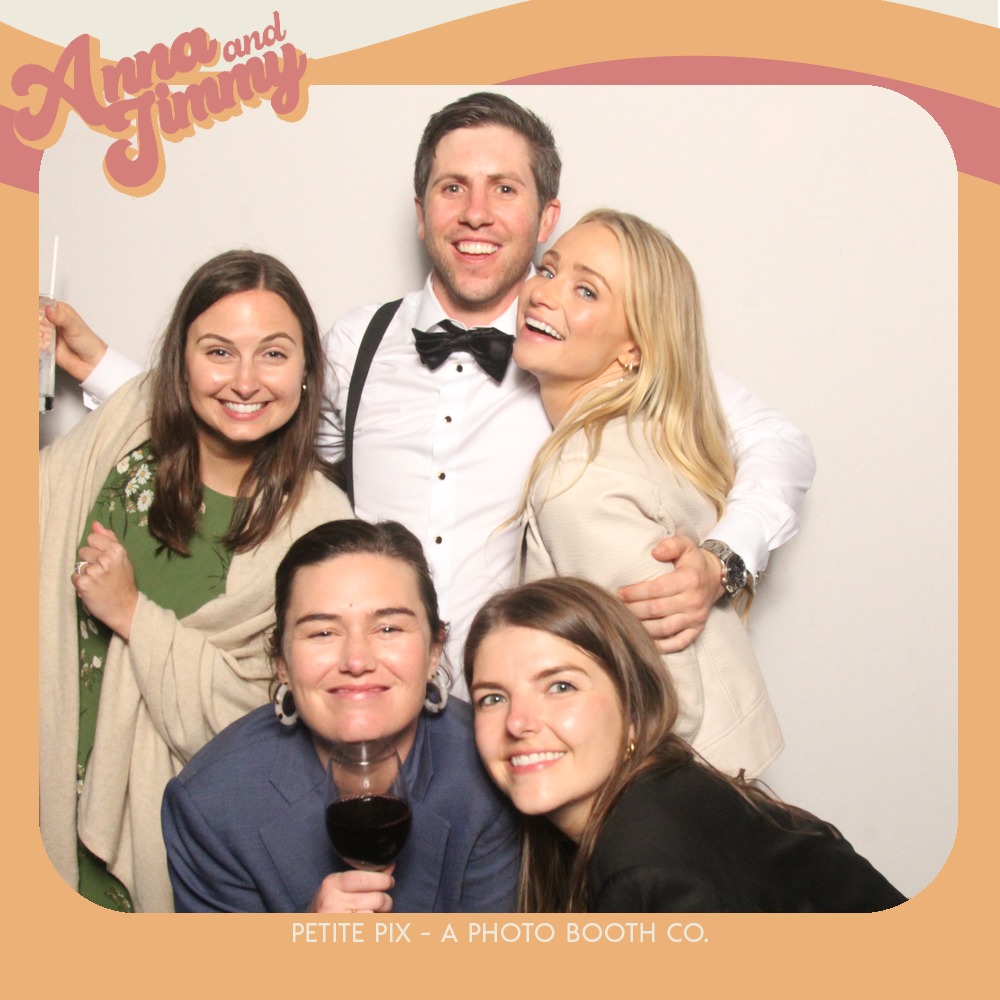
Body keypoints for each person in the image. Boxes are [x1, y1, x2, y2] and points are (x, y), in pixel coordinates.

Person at [49, 92, 816, 692]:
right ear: (422, 214)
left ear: (546, 216)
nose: (476, 213)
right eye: (454, 188)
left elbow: (777, 442)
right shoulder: (358, 341)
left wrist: (722, 559)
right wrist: (101, 369)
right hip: (374, 708)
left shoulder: (590, 350)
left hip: (529, 718)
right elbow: (251, 416)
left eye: (504, 188)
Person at [39, 250, 352, 912]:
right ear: (181, 363)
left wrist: (132, 614)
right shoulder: (122, 437)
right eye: (218, 352)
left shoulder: (322, 522)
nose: (245, 380)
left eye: (273, 354)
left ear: (306, 371)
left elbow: (272, 722)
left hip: (181, 829)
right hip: (44, 777)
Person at [511, 208, 781, 777]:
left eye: (586, 290)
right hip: (733, 777)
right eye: (549, 270)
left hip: (674, 795)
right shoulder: (650, 432)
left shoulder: (580, 479)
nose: (544, 293)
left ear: (633, 347)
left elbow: (668, 701)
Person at [465, 577, 907, 913]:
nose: (518, 723)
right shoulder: (669, 790)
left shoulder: (644, 869)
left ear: (634, 709)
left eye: (560, 687)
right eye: (492, 698)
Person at [161, 519, 519, 913]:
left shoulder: (491, 770)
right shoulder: (211, 805)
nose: (356, 661)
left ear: (435, 650)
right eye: (323, 633)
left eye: (388, 628)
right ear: (281, 662)